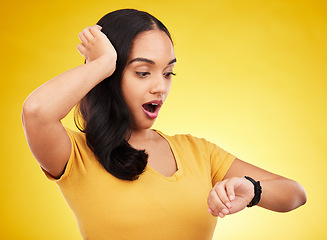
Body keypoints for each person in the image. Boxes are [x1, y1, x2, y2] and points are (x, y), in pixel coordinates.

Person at [22, 9, 306, 240]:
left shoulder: (197, 152)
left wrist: (253, 189)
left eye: (168, 72)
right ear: (109, 75)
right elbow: (36, 112)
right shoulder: (76, 155)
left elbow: (294, 193)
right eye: (143, 72)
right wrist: (102, 63)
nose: (161, 87)